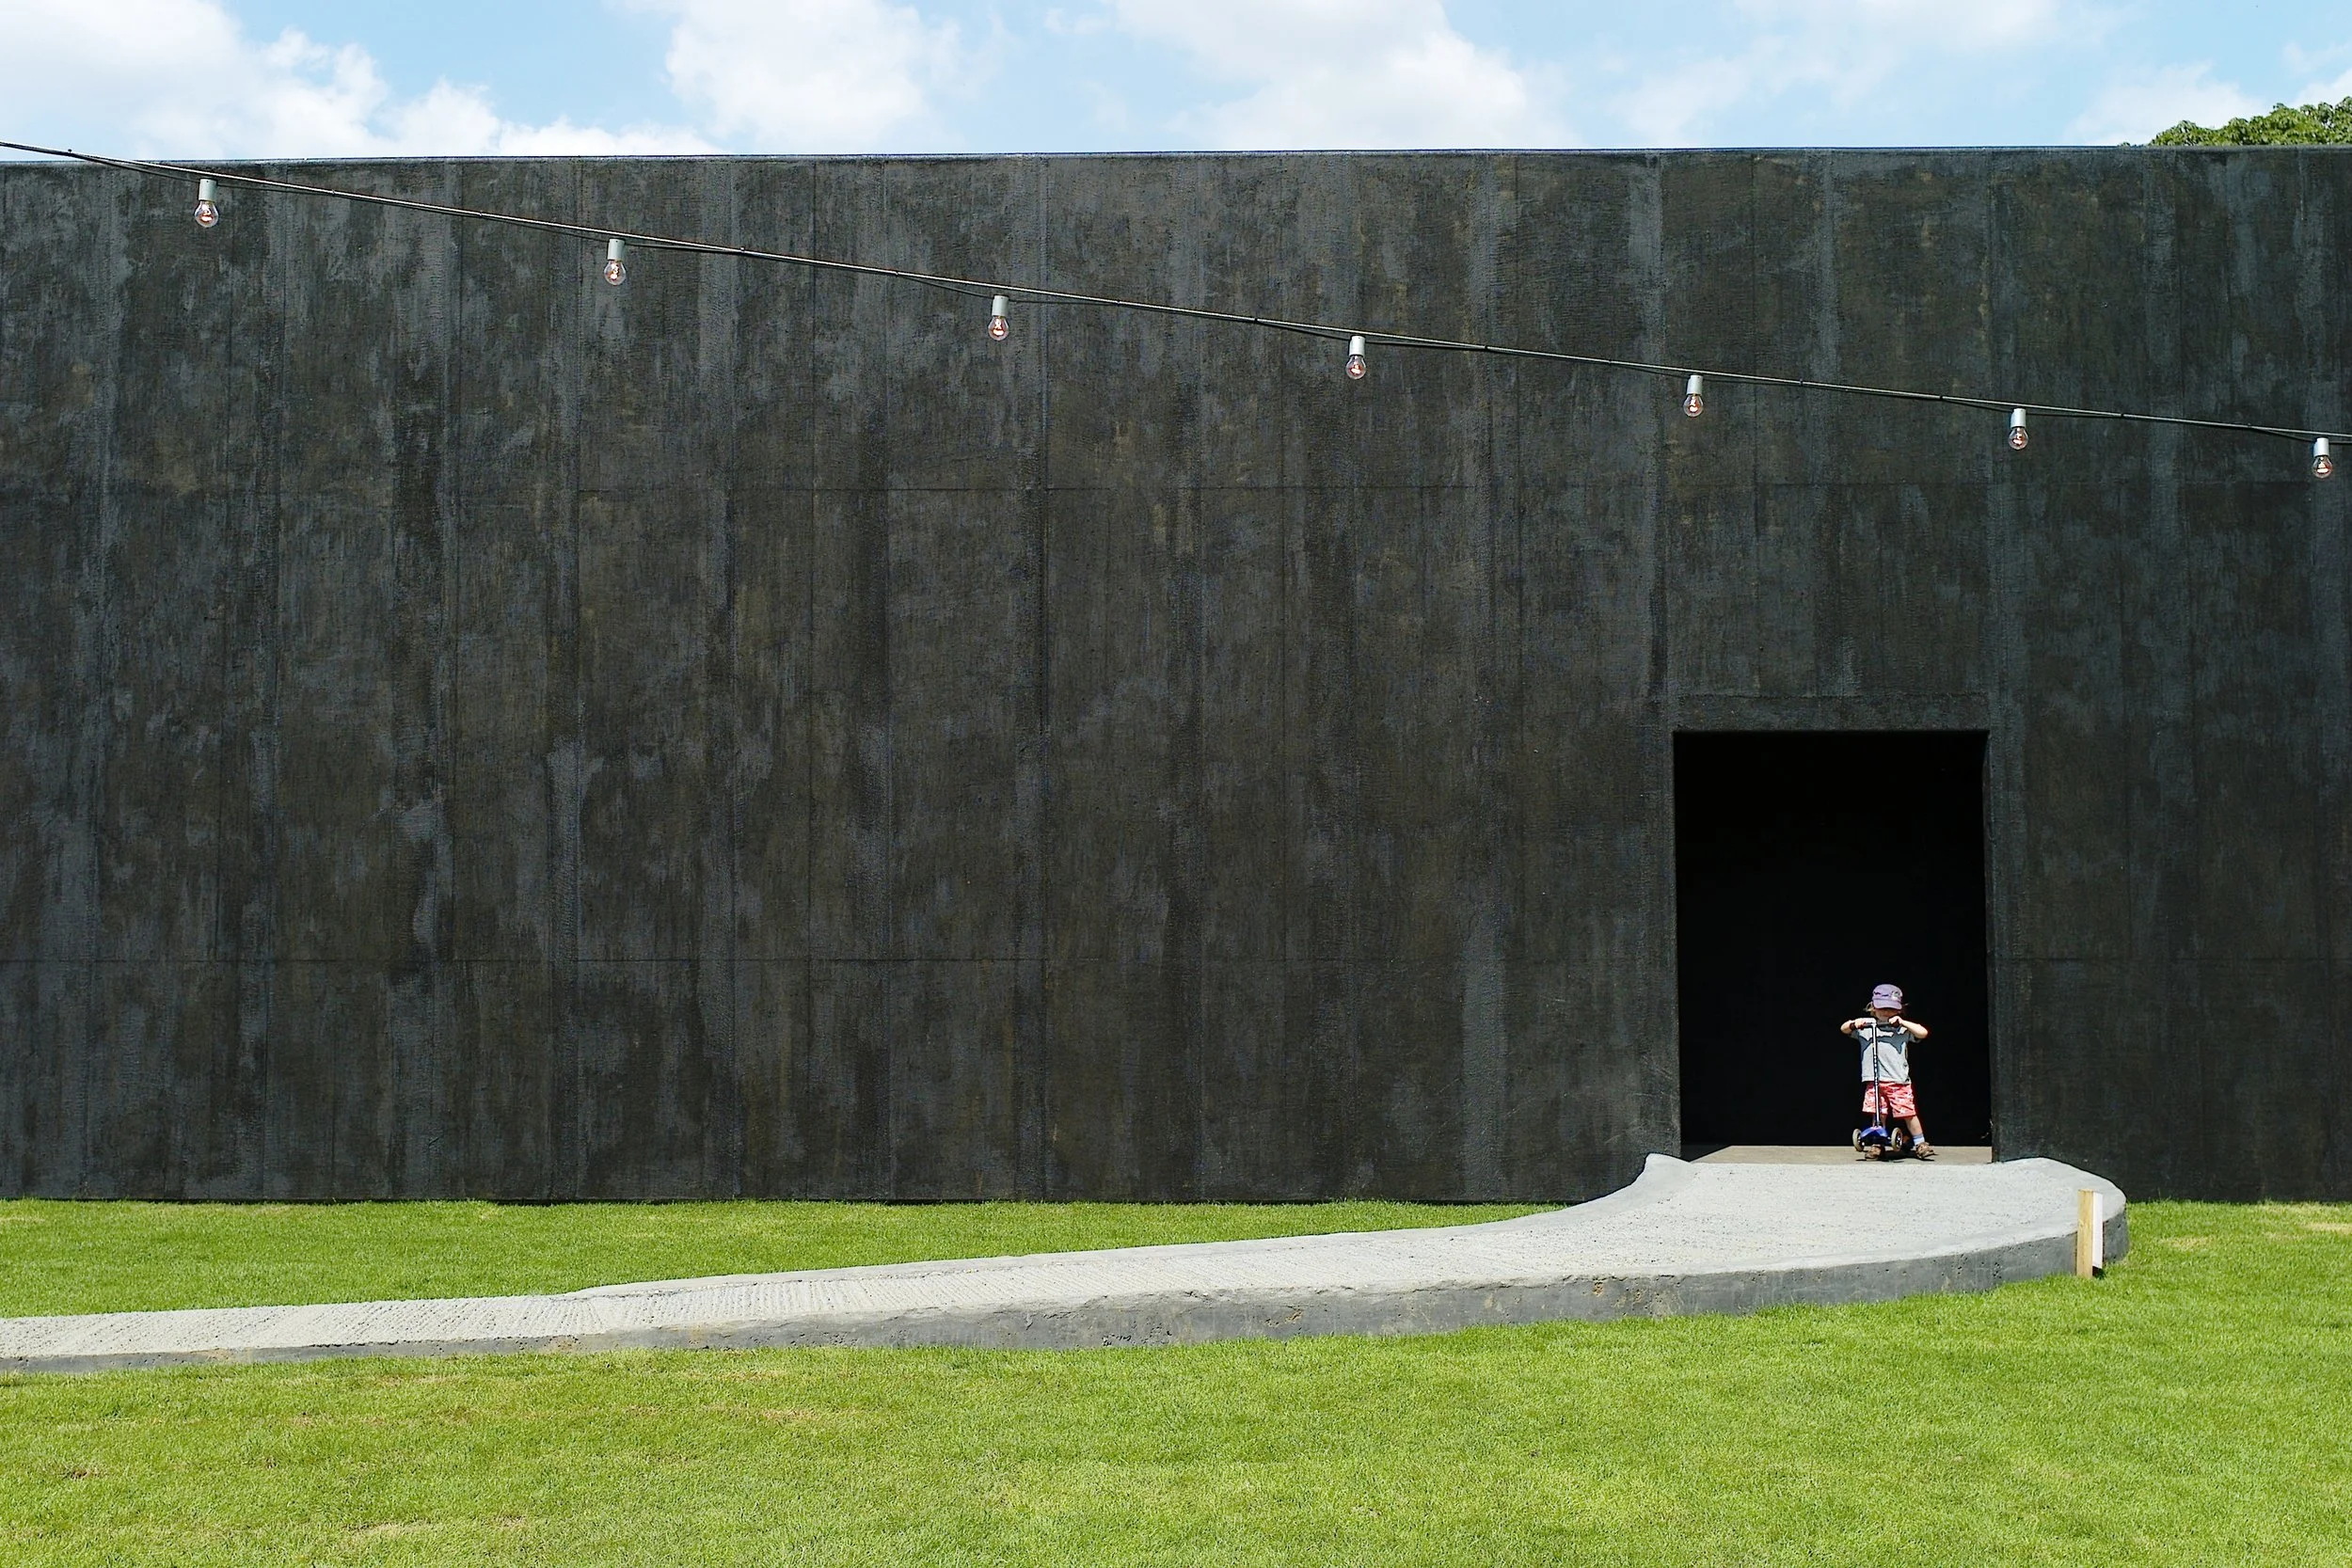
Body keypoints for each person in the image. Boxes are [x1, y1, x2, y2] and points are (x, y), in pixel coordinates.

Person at [1840, 983, 1933, 1159]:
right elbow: (1844, 1028)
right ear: (1873, 1008)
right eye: (1883, 1008)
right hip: (1875, 1080)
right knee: (1877, 1114)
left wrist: (1903, 1022)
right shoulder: (1867, 1027)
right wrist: (1854, 1024)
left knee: (1907, 1112)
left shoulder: (1902, 1028)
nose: (1886, 1012)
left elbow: (1923, 1033)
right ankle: (1878, 1144)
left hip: (1898, 1081)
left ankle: (1920, 1142)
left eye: (1891, 1009)